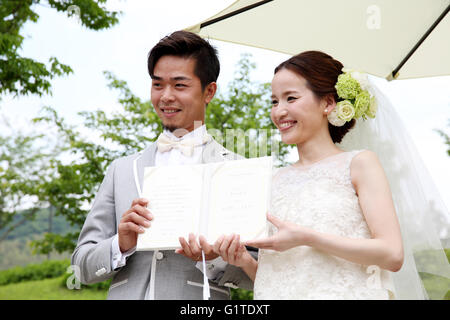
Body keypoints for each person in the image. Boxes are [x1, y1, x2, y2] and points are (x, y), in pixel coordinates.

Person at [213, 50, 450, 299]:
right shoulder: (272, 180)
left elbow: (392, 254)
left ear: (328, 103)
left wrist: (308, 237)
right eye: (274, 101)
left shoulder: (359, 164)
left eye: (290, 98)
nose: (279, 111)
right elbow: (278, 278)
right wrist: (244, 261)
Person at [71, 30, 255, 300]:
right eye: (158, 85)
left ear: (209, 91)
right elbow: (80, 267)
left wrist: (211, 259)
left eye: (179, 85)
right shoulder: (120, 170)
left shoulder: (237, 170)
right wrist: (121, 244)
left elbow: (259, 273)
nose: (166, 96)